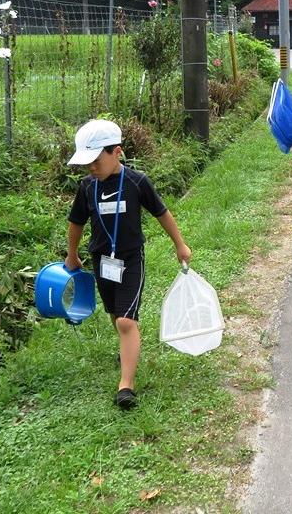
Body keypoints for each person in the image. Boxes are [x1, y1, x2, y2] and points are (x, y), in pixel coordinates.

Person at [65, 119, 192, 410]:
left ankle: (126, 386)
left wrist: (180, 244)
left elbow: (162, 212)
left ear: (116, 152)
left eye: (95, 161)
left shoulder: (137, 182)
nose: (91, 169)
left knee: (126, 319)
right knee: (114, 313)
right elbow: (76, 222)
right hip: (101, 259)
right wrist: (72, 254)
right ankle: (128, 346)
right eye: (87, 164)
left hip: (131, 259)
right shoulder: (86, 187)